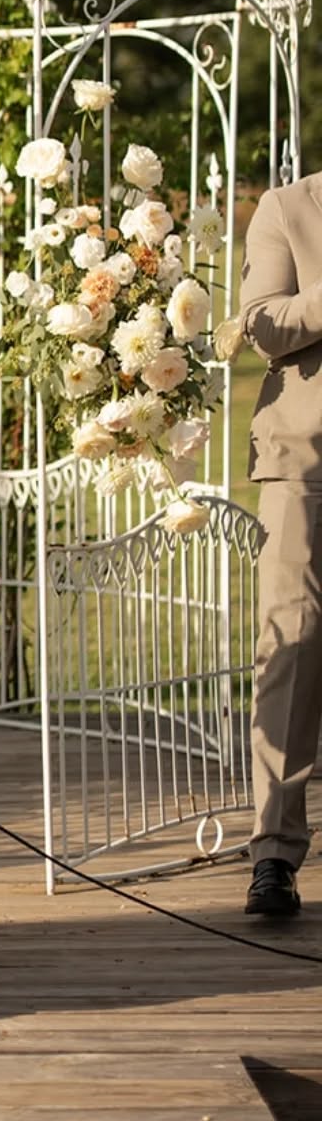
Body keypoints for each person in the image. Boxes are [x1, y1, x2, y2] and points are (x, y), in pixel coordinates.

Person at [240, 171, 322, 918]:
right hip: (307, 466)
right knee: (290, 650)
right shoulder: (289, 206)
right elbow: (261, 323)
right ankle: (274, 852)